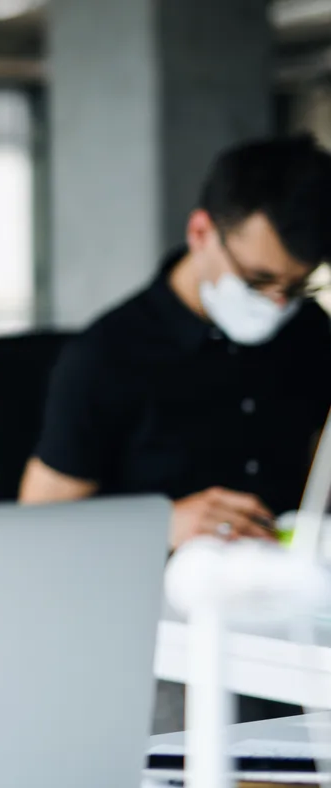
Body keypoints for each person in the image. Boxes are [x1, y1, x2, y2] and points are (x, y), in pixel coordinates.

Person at [20, 136, 331, 730]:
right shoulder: (106, 356)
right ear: (200, 232)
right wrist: (162, 523)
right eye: (259, 278)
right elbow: (40, 522)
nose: (276, 302)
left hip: (292, 618)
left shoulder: (309, 334)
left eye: (295, 287)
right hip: (163, 646)